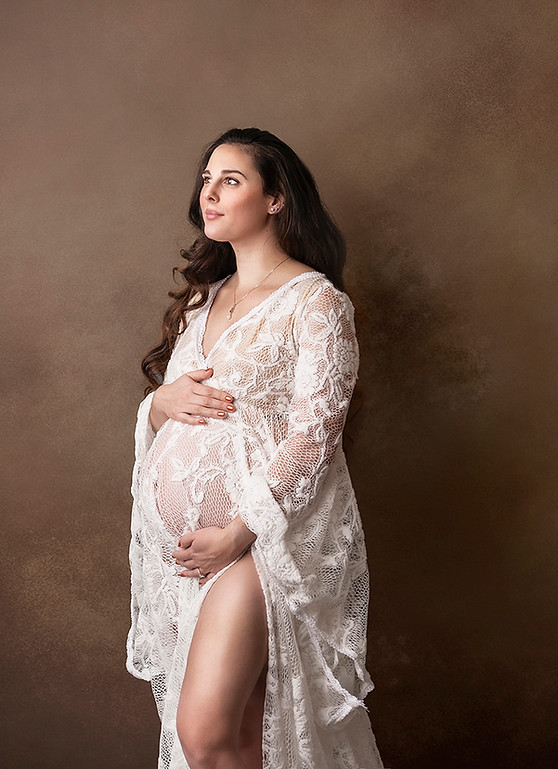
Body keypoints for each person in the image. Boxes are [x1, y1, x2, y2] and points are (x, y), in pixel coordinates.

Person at [127, 127, 384, 769]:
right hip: (189, 561)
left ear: (275, 199)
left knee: (205, 732)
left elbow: (313, 439)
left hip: (260, 547)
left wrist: (242, 532)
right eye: (206, 181)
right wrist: (157, 404)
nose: (209, 194)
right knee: (243, 740)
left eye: (231, 181)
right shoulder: (200, 303)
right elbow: (170, 411)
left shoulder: (315, 303)